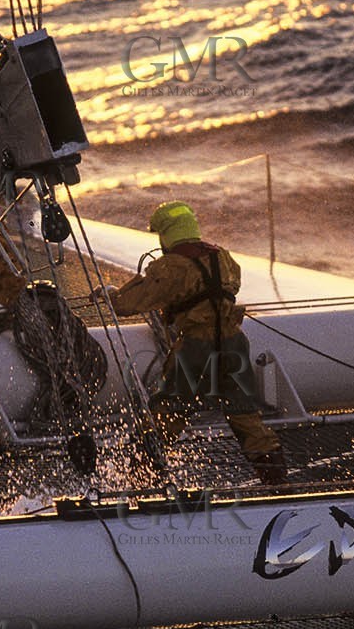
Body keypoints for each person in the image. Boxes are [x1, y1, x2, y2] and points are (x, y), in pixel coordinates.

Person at [108, 201, 287, 485]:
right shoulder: (224, 258)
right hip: (234, 345)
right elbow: (228, 288)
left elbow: (129, 304)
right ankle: (278, 481)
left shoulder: (172, 267)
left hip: (195, 349)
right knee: (245, 417)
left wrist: (111, 295)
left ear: (166, 236)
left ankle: (140, 481)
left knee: (166, 414)